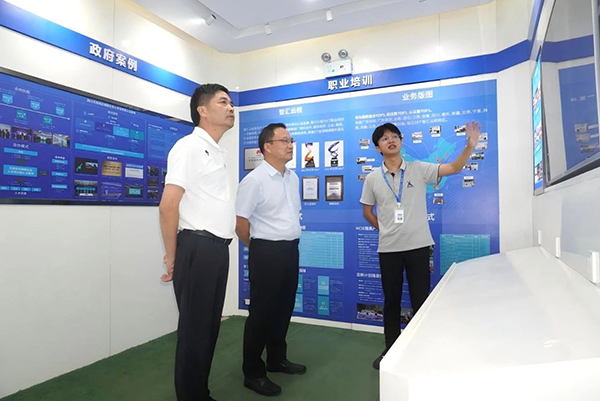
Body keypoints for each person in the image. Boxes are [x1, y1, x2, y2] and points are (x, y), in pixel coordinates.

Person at [360, 120, 481, 370]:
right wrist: (385, 229)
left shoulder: (418, 169)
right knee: (391, 302)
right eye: (384, 138)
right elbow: (367, 212)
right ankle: (391, 350)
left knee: (421, 301)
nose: (391, 140)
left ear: (401, 141)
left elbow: (454, 167)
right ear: (378, 147)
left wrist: (469, 146)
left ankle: (420, 351)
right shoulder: (372, 178)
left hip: (418, 246)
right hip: (389, 249)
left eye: (395, 136)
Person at [159, 83, 235, 401]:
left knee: (208, 330)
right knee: (195, 332)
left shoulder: (216, 151)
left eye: (231, 102)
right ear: (202, 111)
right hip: (197, 248)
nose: (231, 108)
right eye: (223, 102)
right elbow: (168, 205)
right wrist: (172, 256)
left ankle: (199, 393)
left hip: (216, 250)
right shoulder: (189, 147)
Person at [236, 123, 307, 397]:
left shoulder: (293, 177)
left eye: (291, 140)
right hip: (265, 252)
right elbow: (240, 223)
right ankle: (253, 373)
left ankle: (276, 359)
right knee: (261, 314)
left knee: (284, 308)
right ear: (267, 146)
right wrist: (258, 247)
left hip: (290, 250)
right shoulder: (254, 180)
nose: (290, 145)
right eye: (284, 141)